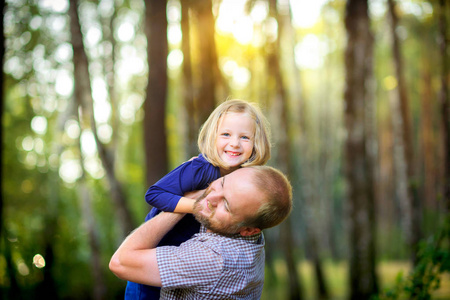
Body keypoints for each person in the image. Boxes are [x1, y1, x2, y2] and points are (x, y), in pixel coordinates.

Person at [125, 99, 272, 299]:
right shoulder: (201, 168)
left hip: (187, 261)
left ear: (256, 143)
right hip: (156, 254)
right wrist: (196, 206)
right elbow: (154, 194)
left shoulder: (244, 177)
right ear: (213, 137)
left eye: (245, 137)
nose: (234, 143)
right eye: (226, 134)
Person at [110, 166, 293, 299]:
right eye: (222, 183)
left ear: (248, 230)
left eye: (226, 205)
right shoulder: (250, 232)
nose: (210, 198)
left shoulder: (214, 258)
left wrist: (181, 204)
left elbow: (120, 262)